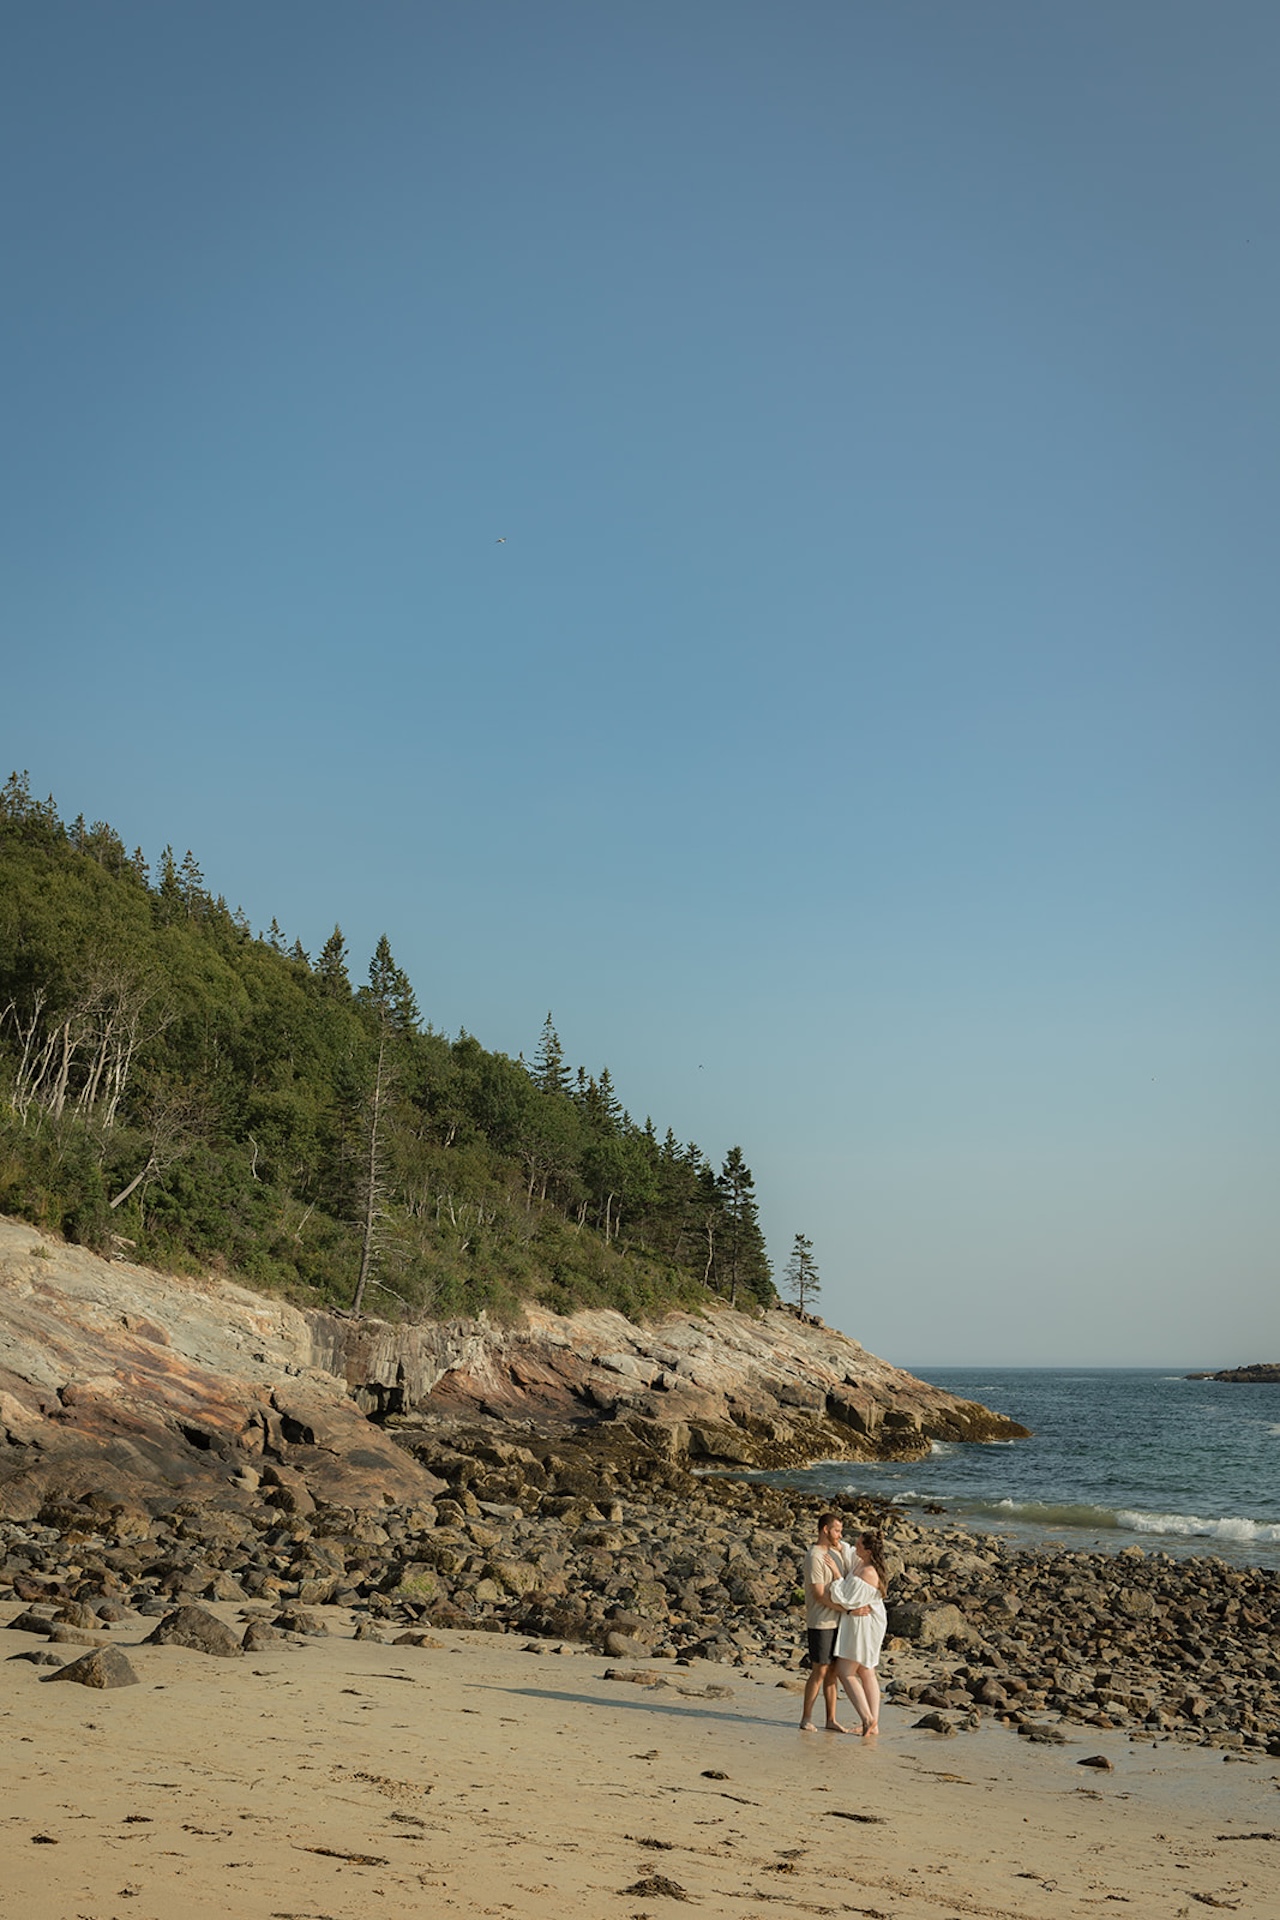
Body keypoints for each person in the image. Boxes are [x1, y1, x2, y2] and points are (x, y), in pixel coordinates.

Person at [829, 1529, 889, 1737]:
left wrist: (837, 1577)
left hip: (865, 1623)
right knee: (866, 1670)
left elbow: (846, 1599)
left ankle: (868, 1719)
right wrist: (835, 1541)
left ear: (869, 1550)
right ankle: (873, 1724)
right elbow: (847, 1550)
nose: (855, 1546)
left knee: (846, 1672)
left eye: (859, 1543)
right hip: (864, 1620)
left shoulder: (868, 1572)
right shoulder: (862, 1562)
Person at [799, 1511, 856, 1732]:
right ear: (825, 1530)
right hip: (821, 1622)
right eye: (837, 1531)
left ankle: (831, 1720)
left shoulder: (837, 1552)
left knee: (833, 1672)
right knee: (819, 1670)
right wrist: (846, 1609)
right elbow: (819, 1594)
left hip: (839, 1622)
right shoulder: (815, 1556)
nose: (840, 1535)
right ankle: (806, 1718)